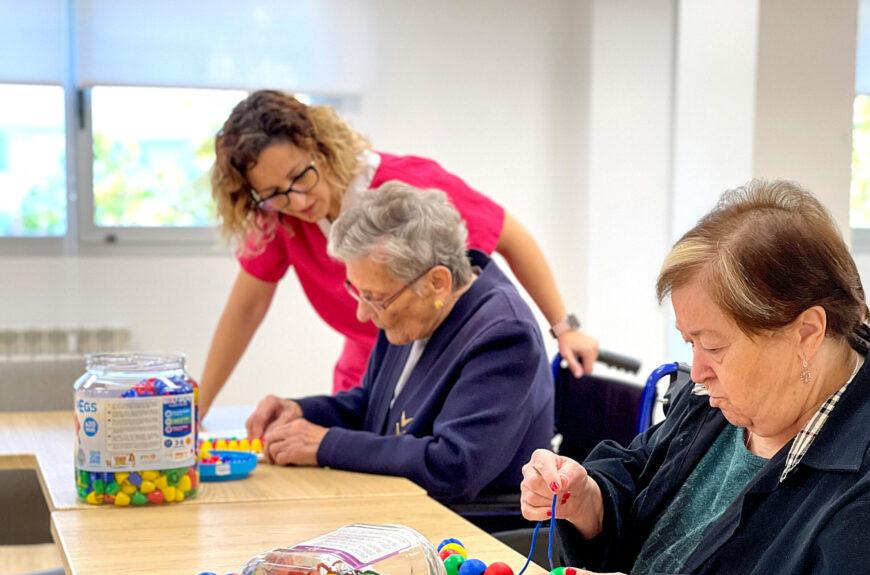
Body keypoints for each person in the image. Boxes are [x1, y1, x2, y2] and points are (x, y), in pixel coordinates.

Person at [520, 180, 870, 575]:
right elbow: (641, 473)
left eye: (713, 346)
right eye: (689, 342)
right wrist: (590, 499)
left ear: (806, 333)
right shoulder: (724, 399)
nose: (697, 370)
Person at [202, 90, 596, 418]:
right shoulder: (279, 218)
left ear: (317, 147)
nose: (298, 201)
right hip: (367, 370)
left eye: (299, 176)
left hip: (434, 362)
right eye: (274, 194)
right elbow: (246, 309)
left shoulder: (405, 188)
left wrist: (564, 327)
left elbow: (510, 236)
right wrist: (199, 409)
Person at [245, 181, 554, 503]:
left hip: (471, 523)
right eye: (358, 293)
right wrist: (301, 412)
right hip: (405, 504)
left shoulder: (505, 335)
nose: (363, 313)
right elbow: (374, 407)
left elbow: (453, 466)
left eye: (374, 297)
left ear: (437, 282)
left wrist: (325, 444)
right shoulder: (412, 303)